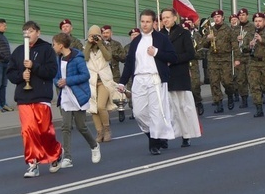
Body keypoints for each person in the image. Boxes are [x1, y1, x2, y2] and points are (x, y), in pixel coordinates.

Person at [6, 21, 62, 178]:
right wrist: (21, 76)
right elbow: (10, 73)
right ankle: (32, 163)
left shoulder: (46, 50)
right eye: (25, 31)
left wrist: (34, 66)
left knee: (44, 131)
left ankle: (55, 153)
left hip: (41, 95)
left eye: (30, 31)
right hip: (24, 97)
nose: (27, 34)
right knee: (28, 130)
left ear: (38, 32)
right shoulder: (18, 51)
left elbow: (51, 71)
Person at [118, 9, 178, 155]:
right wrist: (122, 82)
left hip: (155, 79)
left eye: (148, 22)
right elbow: (129, 63)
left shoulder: (161, 39)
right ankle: (154, 136)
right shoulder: (136, 42)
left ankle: (154, 144)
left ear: (153, 23)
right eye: (143, 21)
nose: (145, 25)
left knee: (156, 113)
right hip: (139, 79)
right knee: (139, 113)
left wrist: (157, 53)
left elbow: (173, 57)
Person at [52, 32, 101, 170]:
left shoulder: (77, 58)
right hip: (65, 97)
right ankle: (67, 157)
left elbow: (85, 75)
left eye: (54, 44)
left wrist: (68, 81)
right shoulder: (58, 58)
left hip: (78, 96)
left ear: (61, 45)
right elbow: (55, 76)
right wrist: (58, 82)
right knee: (65, 126)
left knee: (81, 126)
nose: (53, 47)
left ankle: (94, 146)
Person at [160, 9, 200, 147]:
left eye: (168, 17)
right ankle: (166, 136)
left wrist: (173, 60)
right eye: (163, 18)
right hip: (166, 75)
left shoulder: (183, 33)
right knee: (168, 108)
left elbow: (190, 53)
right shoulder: (160, 35)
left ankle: (186, 134)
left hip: (180, 74)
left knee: (183, 106)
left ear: (175, 18)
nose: (165, 20)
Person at [84, 25, 118, 143]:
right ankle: (99, 132)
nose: (94, 37)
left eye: (96, 35)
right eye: (91, 35)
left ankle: (107, 129)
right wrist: (89, 43)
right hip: (92, 81)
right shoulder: (86, 47)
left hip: (104, 81)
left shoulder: (105, 45)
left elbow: (108, 57)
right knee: (94, 109)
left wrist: (100, 43)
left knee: (100, 106)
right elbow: (84, 58)